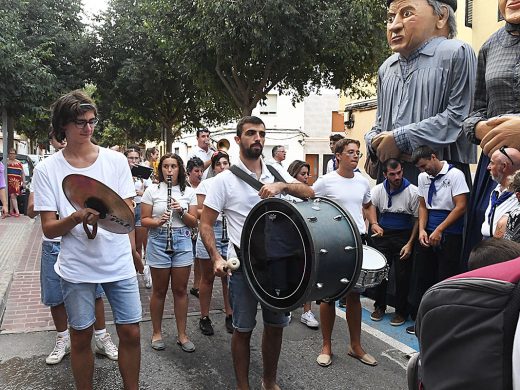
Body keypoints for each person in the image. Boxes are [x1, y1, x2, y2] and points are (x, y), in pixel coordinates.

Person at [32, 90, 141, 389]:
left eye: (92, 121)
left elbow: (129, 211)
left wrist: (109, 216)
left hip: (117, 261)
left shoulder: (116, 161)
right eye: (80, 122)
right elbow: (49, 229)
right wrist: (76, 218)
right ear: (62, 126)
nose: (88, 128)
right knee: (80, 336)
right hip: (76, 266)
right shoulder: (46, 170)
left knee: (131, 332)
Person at [200, 116, 314, 390]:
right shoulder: (223, 181)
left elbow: (309, 192)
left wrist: (283, 186)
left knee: (275, 327)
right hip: (244, 266)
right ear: (238, 139)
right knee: (243, 329)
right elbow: (205, 223)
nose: (258, 138)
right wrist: (216, 256)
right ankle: (243, 386)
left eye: (261, 134)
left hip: (278, 264)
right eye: (251, 133)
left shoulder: (276, 173)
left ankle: (269, 382)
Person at [27, 131, 118, 365]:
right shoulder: (47, 169)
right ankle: (62, 339)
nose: (64, 143)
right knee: (55, 296)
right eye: (59, 139)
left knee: (95, 293)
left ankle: (101, 337)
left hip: (82, 242)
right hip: (54, 244)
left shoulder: (90, 168)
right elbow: (30, 210)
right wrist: (50, 201)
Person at [364, 0, 476, 185]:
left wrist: (400, 139)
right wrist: (373, 140)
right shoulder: (386, 68)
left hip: (441, 174)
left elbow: (458, 117)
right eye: (390, 18)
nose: (394, 26)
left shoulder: (457, 52)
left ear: (441, 16)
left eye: (407, 14)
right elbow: (381, 122)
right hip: (391, 174)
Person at [312, 138, 382, 368]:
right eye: (350, 152)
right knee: (328, 296)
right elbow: (312, 204)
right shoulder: (325, 182)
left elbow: (368, 204)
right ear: (338, 156)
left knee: (354, 295)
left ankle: (356, 346)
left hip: (357, 241)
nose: (355, 156)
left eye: (358, 153)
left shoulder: (363, 182)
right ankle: (326, 346)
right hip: (332, 242)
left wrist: (373, 222)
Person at [462, 0, 520, 263]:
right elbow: (474, 113)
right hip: (495, 166)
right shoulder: (488, 46)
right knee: (488, 246)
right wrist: (480, 127)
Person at [408, 145, 469, 335]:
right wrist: (422, 231)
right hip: (428, 231)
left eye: (424, 165)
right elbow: (423, 206)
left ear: (433, 157)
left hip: (450, 233)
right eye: (419, 167)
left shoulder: (455, 174)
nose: (422, 170)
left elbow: (461, 207)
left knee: (445, 279)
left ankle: (444, 325)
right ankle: (421, 321)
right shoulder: (422, 177)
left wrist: (440, 229)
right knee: (423, 277)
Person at [141, 153, 198, 352]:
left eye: (173, 166)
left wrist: (181, 211)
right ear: (161, 169)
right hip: (158, 240)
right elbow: (144, 220)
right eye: (166, 166)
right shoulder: (152, 190)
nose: (170, 170)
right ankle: (157, 333)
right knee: (159, 290)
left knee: (181, 290)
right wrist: (158, 222)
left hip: (182, 240)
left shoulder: (188, 191)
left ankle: (182, 335)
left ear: (179, 169)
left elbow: (194, 222)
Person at [369, 158, 418, 326]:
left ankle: (401, 312)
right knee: (381, 274)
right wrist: (374, 224)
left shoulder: (413, 191)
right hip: (383, 235)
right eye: (392, 174)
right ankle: (379, 307)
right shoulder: (377, 190)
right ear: (385, 175)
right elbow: (369, 207)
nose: (396, 177)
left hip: (404, 236)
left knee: (402, 277)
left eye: (399, 173)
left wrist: (410, 243)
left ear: (402, 171)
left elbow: (417, 219)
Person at [196, 151, 233, 335]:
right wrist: (218, 210)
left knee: (229, 277)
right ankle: (204, 316)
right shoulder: (206, 184)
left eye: (226, 163)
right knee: (208, 277)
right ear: (214, 167)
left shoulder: (234, 183)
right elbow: (199, 211)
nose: (223, 167)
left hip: (229, 231)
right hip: (212, 229)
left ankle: (230, 314)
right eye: (219, 164)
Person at [286, 160, 319, 329]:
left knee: (308, 275)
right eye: (303, 174)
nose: (306, 177)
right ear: (293, 175)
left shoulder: (309, 194)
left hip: (307, 240)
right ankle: (288, 307)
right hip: (289, 240)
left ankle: (307, 311)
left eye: (308, 174)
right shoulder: (286, 194)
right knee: (290, 274)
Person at [124, 145, 152, 289]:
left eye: (136, 158)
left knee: (140, 245)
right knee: (131, 246)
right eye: (130, 158)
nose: (133, 161)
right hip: (126, 209)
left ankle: (138, 272)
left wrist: (139, 193)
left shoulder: (143, 173)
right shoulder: (121, 172)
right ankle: (141, 270)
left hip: (140, 208)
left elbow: (150, 192)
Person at [481, 148, 520, 239]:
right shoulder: (496, 191)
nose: (488, 167)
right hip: (487, 242)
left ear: (504, 166)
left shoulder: (517, 195)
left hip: (504, 246)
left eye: (492, 163)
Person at [186, 156, 205, 298]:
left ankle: (196, 285)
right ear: (189, 172)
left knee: (199, 258)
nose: (199, 174)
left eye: (201, 171)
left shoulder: (204, 186)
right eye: (196, 171)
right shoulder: (184, 187)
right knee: (189, 258)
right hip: (188, 226)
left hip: (200, 226)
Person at [7, 147, 25, 217]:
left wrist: (24, 182)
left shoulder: (19, 163)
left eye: (13, 154)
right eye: (11, 154)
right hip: (9, 182)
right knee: (12, 195)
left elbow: (22, 173)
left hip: (17, 183)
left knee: (13, 196)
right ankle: (16, 211)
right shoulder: (6, 162)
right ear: (8, 154)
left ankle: (12, 211)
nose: (12, 155)